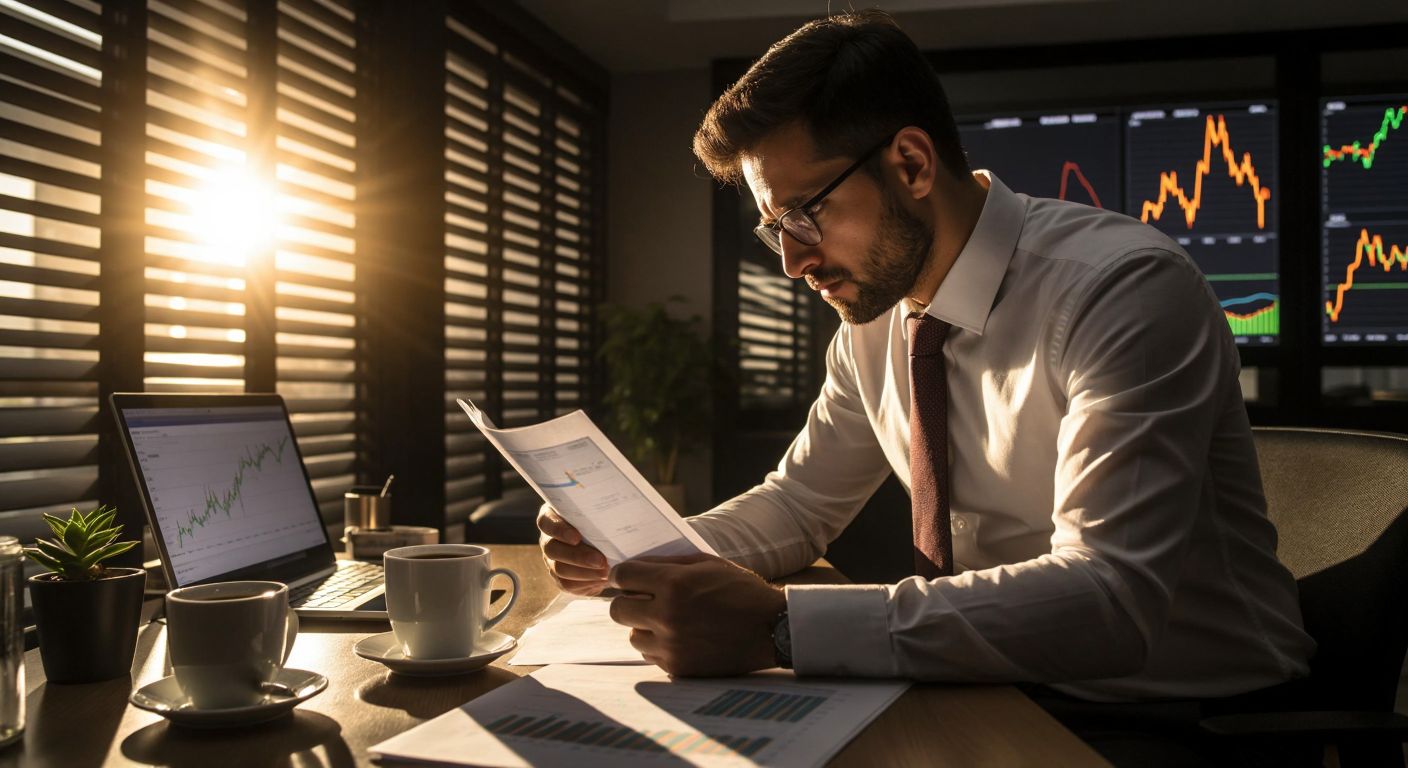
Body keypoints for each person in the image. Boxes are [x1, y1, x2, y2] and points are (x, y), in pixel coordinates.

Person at [537, 9, 1314, 765]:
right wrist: (642, 555)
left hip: (1182, 719)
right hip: (985, 686)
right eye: (776, 230)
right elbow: (798, 506)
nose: (793, 263)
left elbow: (1110, 598)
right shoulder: (876, 322)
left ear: (910, 164)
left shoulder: (1122, 290)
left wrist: (782, 627)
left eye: (805, 215)